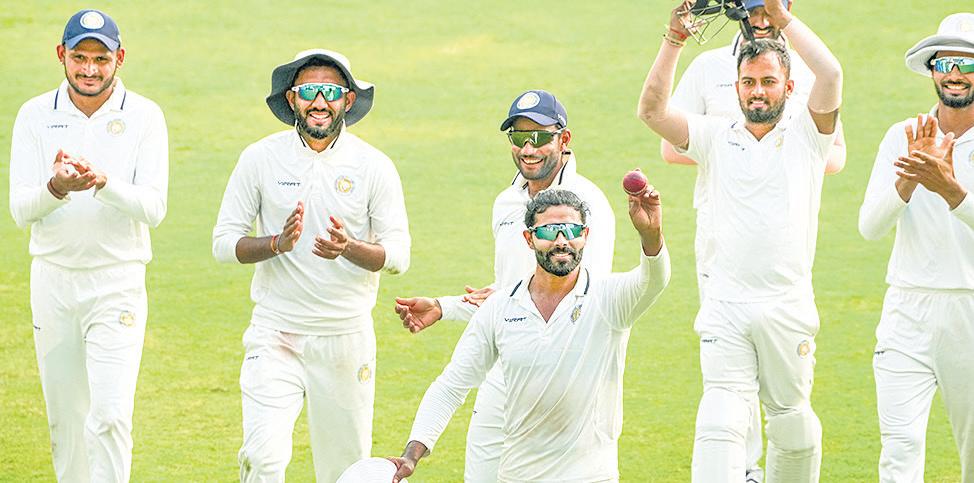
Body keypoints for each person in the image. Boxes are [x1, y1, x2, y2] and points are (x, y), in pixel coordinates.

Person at [637, 0, 842, 480]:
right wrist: (674, 39)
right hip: (724, 304)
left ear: (789, 88)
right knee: (720, 419)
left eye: (769, 81)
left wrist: (782, 17)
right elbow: (651, 111)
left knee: (792, 424)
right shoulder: (714, 135)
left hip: (786, 305)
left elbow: (831, 73)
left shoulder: (809, 135)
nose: (758, 91)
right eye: (748, 82)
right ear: (736, 88)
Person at [393, 89, 615, 482]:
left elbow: (580, 296)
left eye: (540, 137)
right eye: (519, 137)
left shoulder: (586, 205)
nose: (529, 148)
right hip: (505, 375)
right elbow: (509, 295)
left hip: (569, 389)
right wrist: (445, 307)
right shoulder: (506, 204)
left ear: (564, 139)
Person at [212, 49, 410, 482]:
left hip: (345, 337)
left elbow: (398, 256)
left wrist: (348, 247)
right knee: (262, 457)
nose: (320, 102)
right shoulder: (260, 158)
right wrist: (276, 244)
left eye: (331, 92)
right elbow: (224, 244)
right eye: (308, 92)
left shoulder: (373, 166)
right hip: (275, 332)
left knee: (345, 471)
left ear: (348, 101)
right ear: (291, 99)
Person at [389, 188, 670, 482]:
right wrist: (411, 455)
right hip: (518, 475)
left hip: (590, 476)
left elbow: (654, 280)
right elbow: (451, 386)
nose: (561, 241)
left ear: (585, 235)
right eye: (548, 231)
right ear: (529, 238)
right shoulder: (500, 307)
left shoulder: (609, 299)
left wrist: (651, 235)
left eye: (571, 230)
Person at [8, 8, 168, 481]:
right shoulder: (35, 114)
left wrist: (103, 182)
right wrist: (56, 188)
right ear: (61, 54)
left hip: (117, 281)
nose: (90, 69)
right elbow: (20, 209)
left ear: (120, 58)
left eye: (101, 58)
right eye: (80, 57)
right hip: (53, 281)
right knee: (66, 419)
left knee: (111, 415)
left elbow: (154, 208)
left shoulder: (144, 115)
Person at [858, 13, 974, 483]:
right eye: (945, 63)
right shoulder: (902, 136)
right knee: (899, 449)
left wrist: (950, 190)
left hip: (969, 311)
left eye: (967, 63)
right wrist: (908, 180)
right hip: (907, 311)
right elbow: (870, 227)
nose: (955, 73)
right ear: (932, 70)